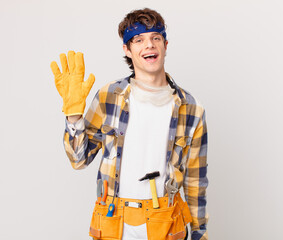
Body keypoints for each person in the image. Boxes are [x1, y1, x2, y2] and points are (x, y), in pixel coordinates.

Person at [50, 8, 208, 240]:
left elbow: (196, 182)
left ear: (165, 44)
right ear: (127, 49)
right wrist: (74, 116)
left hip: (165, 223)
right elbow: (78, 159)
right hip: (113, 222)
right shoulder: (108, 97)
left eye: (156, 37)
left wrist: (199, 234)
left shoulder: (191, 108)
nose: (149, 45)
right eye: (139, 39)